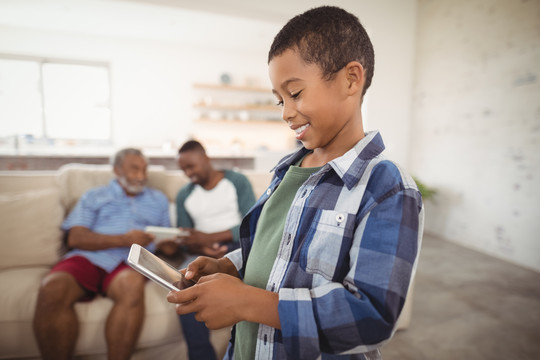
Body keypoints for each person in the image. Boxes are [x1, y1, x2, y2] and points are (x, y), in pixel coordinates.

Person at [167, 6, 424, 360]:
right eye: (279, 99)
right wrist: (230, 266)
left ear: (351, 79)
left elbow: (372, 317)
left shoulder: (386, 187)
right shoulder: (286, 169)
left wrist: (246, 301)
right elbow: (279, 247)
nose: (286, 112)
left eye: (296, 93)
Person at [33, 148, 171, 360]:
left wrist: (174, 242)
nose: (142, 176)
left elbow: (167, 244)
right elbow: (76, 238)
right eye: (134, 169)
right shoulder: (95, 196)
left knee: (131, 285)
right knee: (53, 287)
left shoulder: (158, 200)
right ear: (117, 170)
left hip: (130, 262)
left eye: (144, 169)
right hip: (89, 257)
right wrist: (123, 239)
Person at [173, 139, 256, 360]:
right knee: (184, 283)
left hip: (239, 245)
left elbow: (253, 224)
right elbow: (185, 237)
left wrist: (211, 239)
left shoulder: (237, 181)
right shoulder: (185, 195)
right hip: (201, 251)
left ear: (206, 159)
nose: (188, 174)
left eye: (191, 167)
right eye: (183, 170)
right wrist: (204, 245)